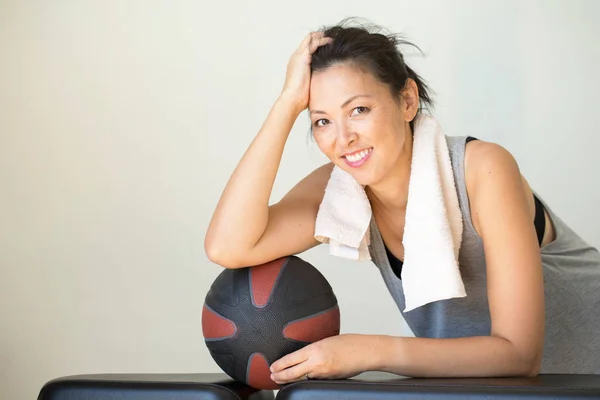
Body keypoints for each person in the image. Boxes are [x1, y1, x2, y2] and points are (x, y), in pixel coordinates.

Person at [204, 19, 600, 383]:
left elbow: (519, 355)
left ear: (407, 100)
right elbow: (229, 246)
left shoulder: (482, 169)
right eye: (322, 121)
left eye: (358, 109)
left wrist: (370, 351)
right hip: (496, 391)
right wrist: (287, 104)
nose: (343, 139)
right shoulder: (344, 191)